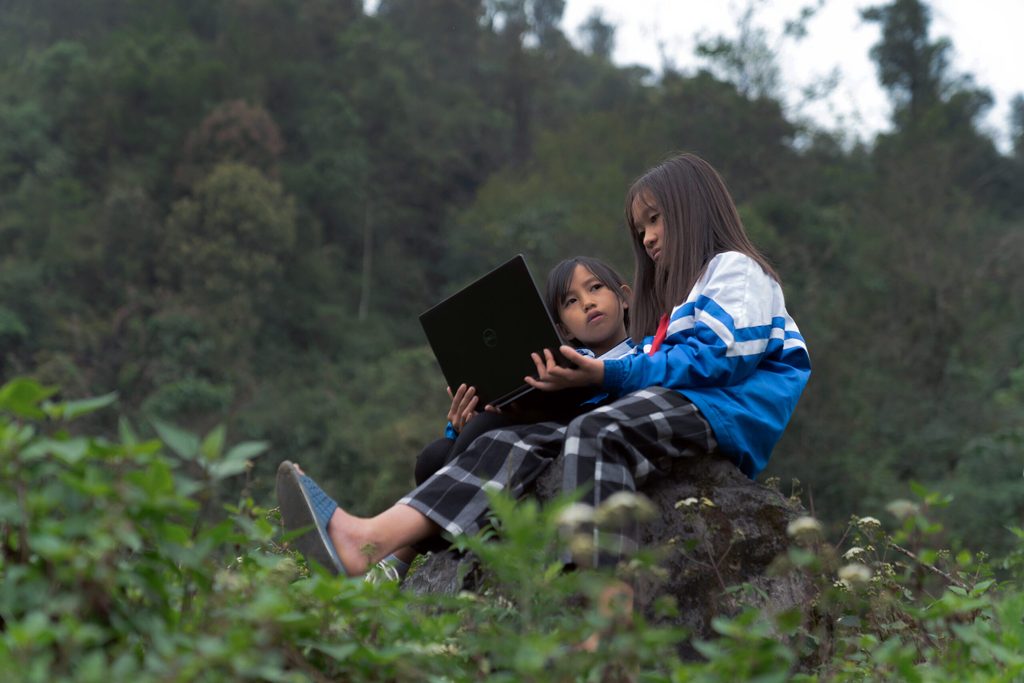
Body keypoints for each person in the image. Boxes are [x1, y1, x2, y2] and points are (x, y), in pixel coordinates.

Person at [276, 152, 810, 581]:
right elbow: (669, 367)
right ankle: (367, 541)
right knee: (500, 442)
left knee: (591, 429)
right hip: (681, 404)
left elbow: (710, 361)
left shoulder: (735, 271)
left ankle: (601, 606)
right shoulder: (680, 309)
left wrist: (602, 376)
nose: (646, 239)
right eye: (640, 228)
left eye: (655, 219)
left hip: (720, 413)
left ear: (694, 209)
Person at [372, 256, 635, 580]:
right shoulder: (556, 361)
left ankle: (395, 557)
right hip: (522, 425)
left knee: (484, 430)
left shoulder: (644, 353)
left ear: (625, 297)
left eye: (595, 288)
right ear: (563, 327)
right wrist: (460, 424)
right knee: (433, 457)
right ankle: (429, 545)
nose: (587, 302)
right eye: (571, 301)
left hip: (561, 438)